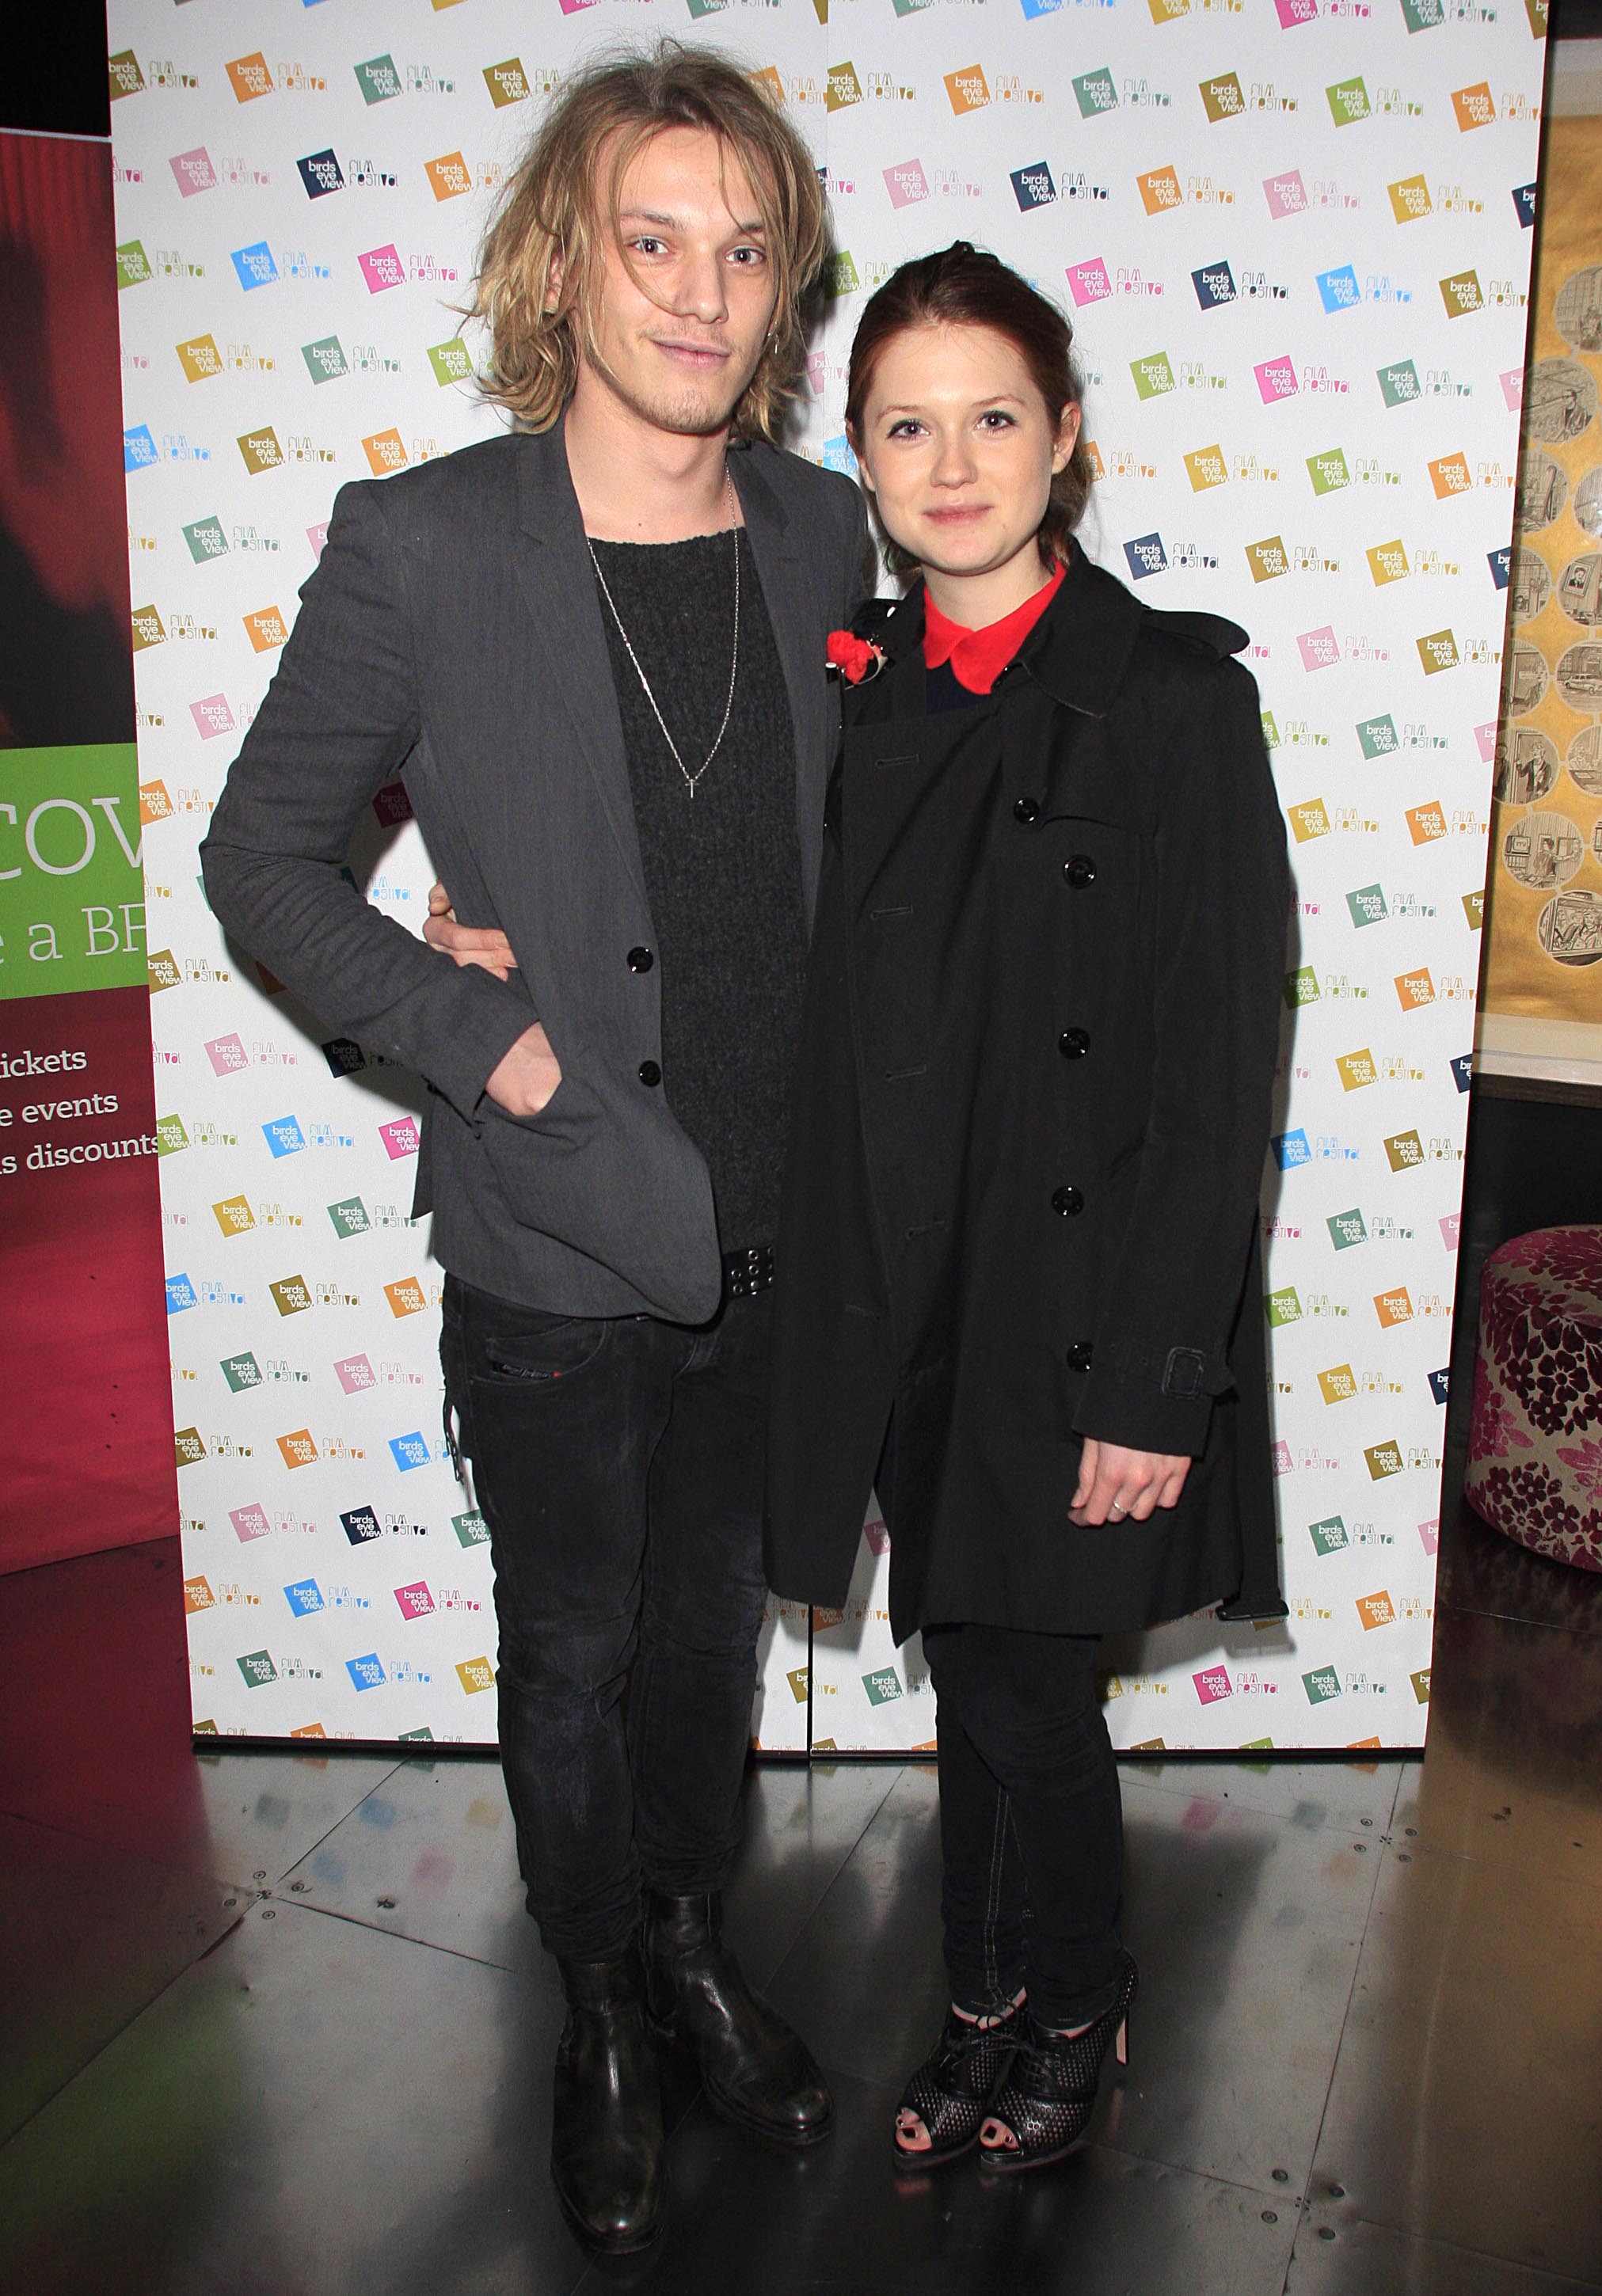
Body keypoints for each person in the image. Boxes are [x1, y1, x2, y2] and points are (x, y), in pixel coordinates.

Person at [200, 43, 866, 2253]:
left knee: (704, 1642)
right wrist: (465, 1031)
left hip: (784, 1221)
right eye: (651, 240)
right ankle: (594, 1986)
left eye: (741, 248)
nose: (699, 292)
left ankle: (684, 1938)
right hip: (559, 1227)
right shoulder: (424, 542)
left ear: (784, 290)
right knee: (573, 1640)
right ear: (563, 266)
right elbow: (264, 858)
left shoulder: (823, 526)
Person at [763, 243, 1290, 2172]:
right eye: (907, 424)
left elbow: (1220, 1058)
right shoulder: (857, 694)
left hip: (1080, 1312)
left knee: (1016, 1680)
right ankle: (979, 1995)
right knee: (971, 1663)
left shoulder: (1168, 698)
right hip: (911, 1291)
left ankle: (1077, 1997)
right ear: (864, 459)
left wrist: (1161, 1379)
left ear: (1064, 438)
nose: (952, 457)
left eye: (994, 415)